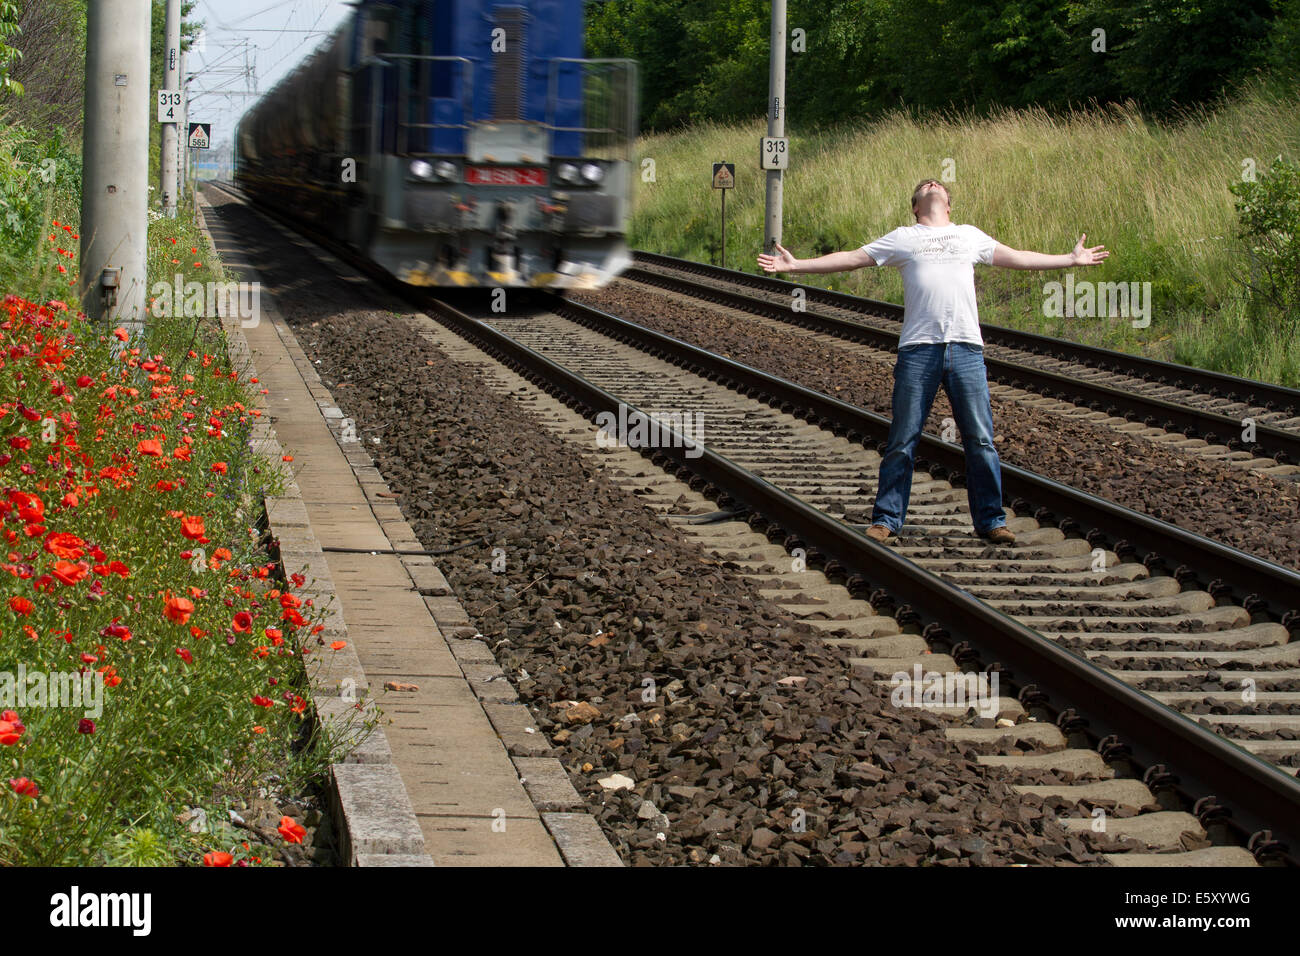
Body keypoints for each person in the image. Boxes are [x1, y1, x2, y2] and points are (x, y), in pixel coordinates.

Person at [757, 179, 1109, 545]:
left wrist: (1069, 259)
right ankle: (887, 519)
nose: (932, 183)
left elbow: (1017, 257)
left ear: (948, 205)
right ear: (915, 207)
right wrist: (796, 266)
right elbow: (852, 258)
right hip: (919, 350)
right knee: (903, 439)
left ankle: (991, 520)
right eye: (925, 185)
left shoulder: (969, 235)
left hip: (966, 348)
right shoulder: (903, 237)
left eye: (937, 184)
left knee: (981, 440)